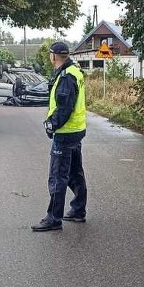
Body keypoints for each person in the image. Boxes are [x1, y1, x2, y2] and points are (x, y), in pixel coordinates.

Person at [32, 41, 88, 232]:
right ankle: (78, 210)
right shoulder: (75, 71)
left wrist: (51, 125)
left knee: (58, 176)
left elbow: (64, 108)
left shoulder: (65, 76)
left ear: (53, 56)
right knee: (74, 172)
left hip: (65, 134)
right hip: (76, 131)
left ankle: (53, 218)